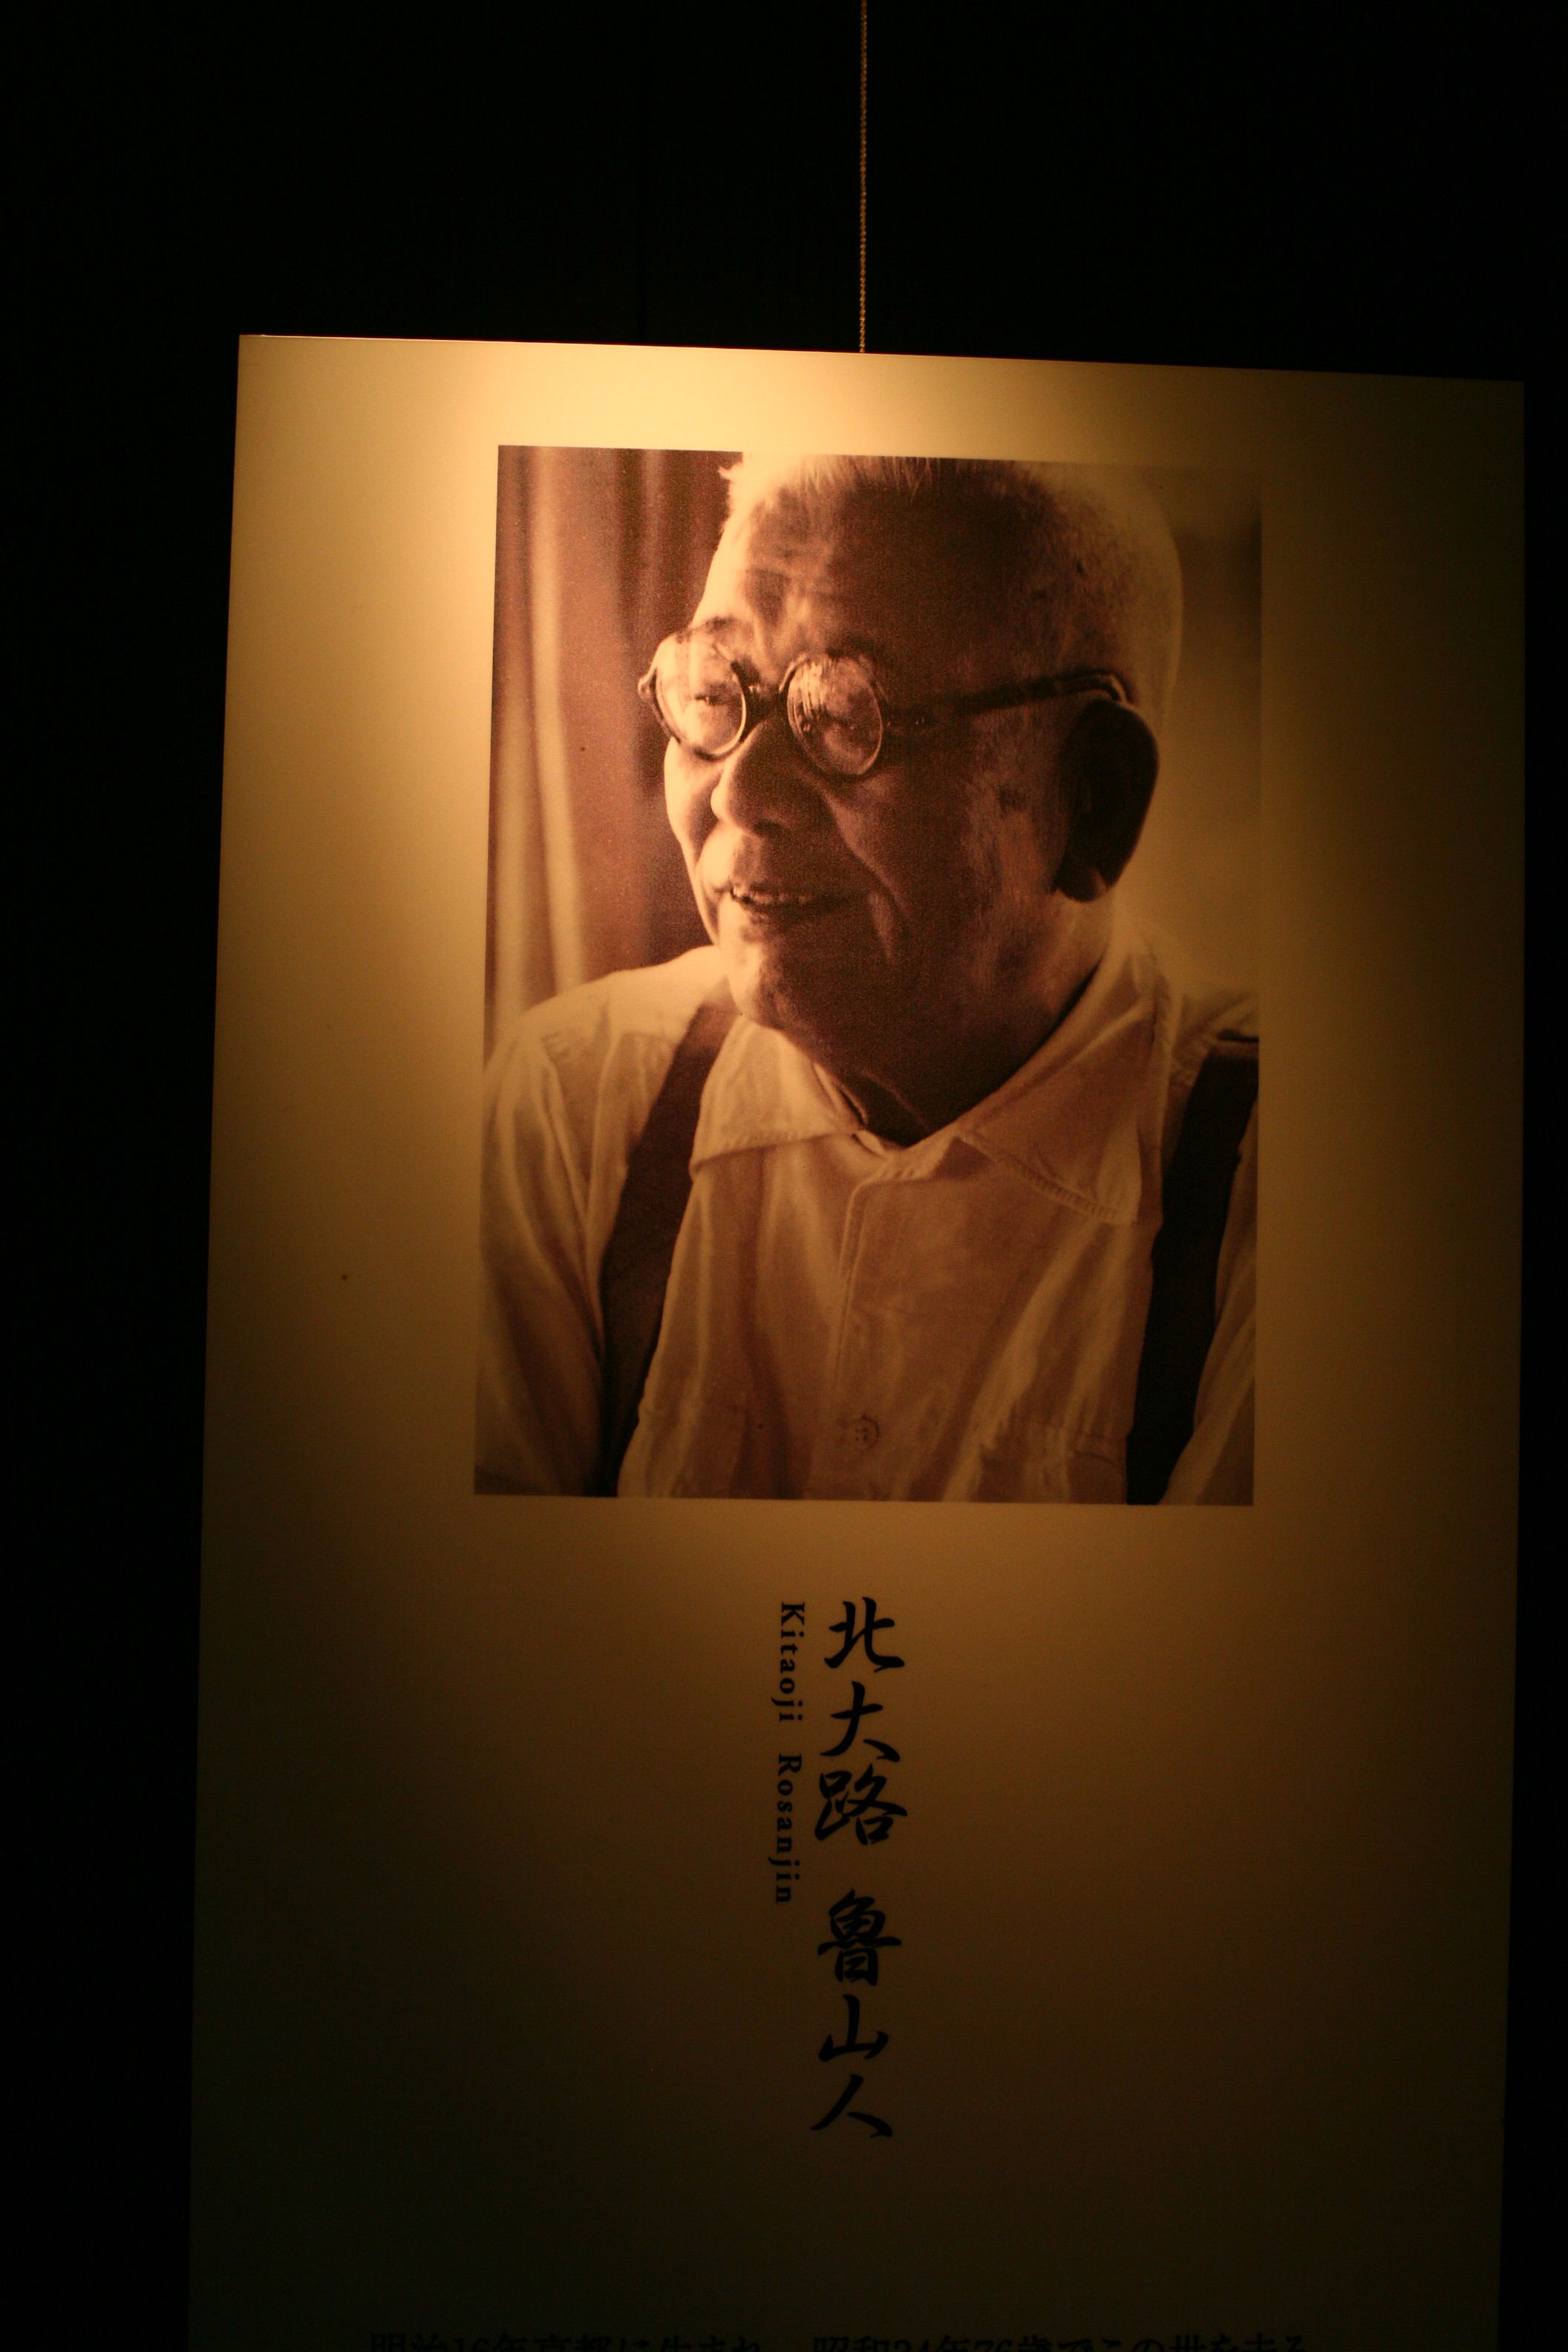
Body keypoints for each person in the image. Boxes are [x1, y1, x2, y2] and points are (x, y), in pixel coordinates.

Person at [476, 456, 1256, 1502]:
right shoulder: (579, 1102)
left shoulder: (1271, 1183)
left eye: (846, 717)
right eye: (713, 693)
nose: (740, 795)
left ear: (1094, 797)